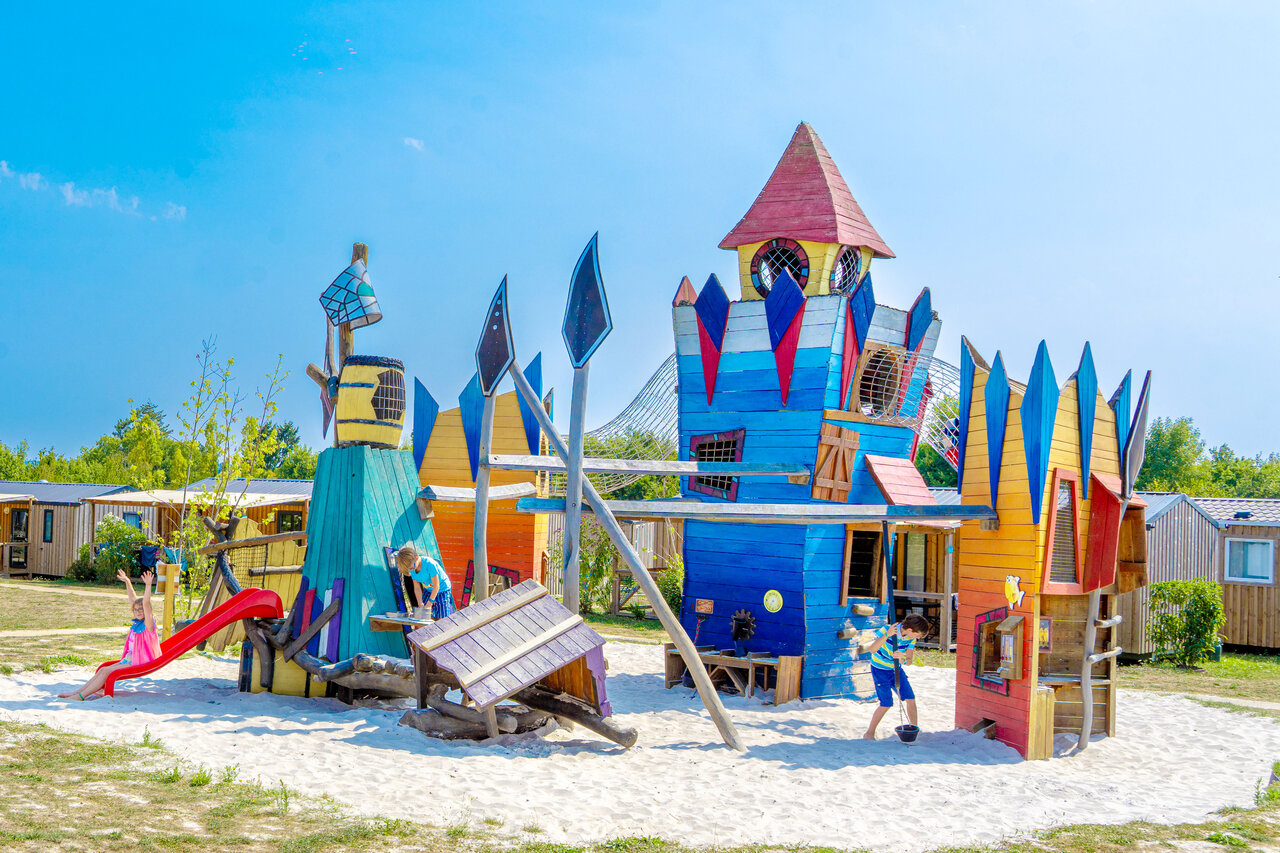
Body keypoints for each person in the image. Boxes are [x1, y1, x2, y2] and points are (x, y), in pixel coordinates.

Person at [58, 569, 161, 701]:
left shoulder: (148, 625)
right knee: (103, 669)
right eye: (136, 610)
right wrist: (128, 582)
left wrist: (148, 585)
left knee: (107, 671)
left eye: (141, 609)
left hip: (141, 661)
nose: (138, 611)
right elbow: (132, 599)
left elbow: (146, 603)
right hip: (130, 659)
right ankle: (76, 693)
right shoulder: (136, 624)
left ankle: (80, 696)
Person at [862, 613, 931, 740]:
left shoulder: (910, 639)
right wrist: (887, 635)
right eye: (917, 635)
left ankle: (913, 730)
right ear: (910, 630)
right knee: (886, 703)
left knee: (910, 698)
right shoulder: (887, 629)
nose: (917, 638)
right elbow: (872, 649)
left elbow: (909, 661)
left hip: (896, 670)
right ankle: (869, 733)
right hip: (880, 670)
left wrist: (902, 659)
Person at [396, 543, 456, 619]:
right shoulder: (412, 568)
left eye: (412, 567)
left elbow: (436, 586)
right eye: (409, 569)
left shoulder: (429, 564)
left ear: (416, 558)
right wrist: (420, 603)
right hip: (429, 589)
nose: (411, 570)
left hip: (442, 589)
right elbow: (417, 588)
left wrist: (430, 603)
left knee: (442, 615)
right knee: (422, 613)